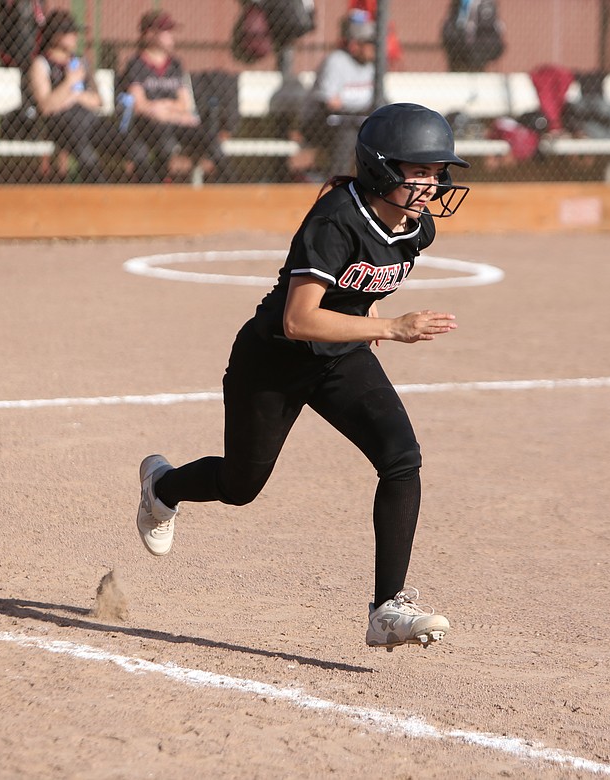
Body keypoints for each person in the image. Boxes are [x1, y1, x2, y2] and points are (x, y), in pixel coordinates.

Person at [134, 103, 471, 650]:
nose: (432, 184)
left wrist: (365, 327)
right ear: (382, 168)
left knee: (401, 458)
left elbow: (354, 294)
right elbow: (298, 319)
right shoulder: (335, 220)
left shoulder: (416, 226)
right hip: (272, 361)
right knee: (241, 486)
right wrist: (392, 326)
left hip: (339, 356)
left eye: (437, 172)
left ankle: (388, 609)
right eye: (420, 170)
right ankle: (162, 486)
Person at [116, 10, 222, 183]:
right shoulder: (136, 64)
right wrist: (167, 110)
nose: (171, 36)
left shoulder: (175, 64)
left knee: (212, 143)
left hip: (174, 121)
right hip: (148, 126)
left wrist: (164, 109)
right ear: (149, 34)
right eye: (166, 32)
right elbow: (140, 105)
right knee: (165, 143)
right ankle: (157, 187)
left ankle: (232, 191)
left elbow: (185, 104)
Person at [287, 12, 376, 182]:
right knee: (347, 132)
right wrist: (357, 109)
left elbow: (379, 101)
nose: (374, 48)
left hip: (354, 121)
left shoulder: (372, 67)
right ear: (354, 45)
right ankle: (337, 184)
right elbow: (330, 104)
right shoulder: (336, 61)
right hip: (320, 124)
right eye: (369, 43)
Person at [25, 9, 105, 183]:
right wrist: (69, 82)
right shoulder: (41, 63)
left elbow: (98, 101)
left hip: (89, 120)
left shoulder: (81, 62)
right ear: (56, 36)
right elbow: (46, 106)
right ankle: (101, 195)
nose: (76, 37)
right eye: (70, 33)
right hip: (60, 125)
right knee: (86, 154)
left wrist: (74, 97)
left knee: (130, 145)